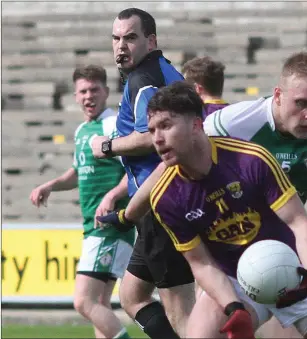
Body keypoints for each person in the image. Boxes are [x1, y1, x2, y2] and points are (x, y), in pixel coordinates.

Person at [111, 51, 307, 338]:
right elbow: (177, 161)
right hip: (231, 266)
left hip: (292, 256)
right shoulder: (232, 123)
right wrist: (128, 214)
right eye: (302, 104)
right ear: (278, 95)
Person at [90, 8, 195, 339]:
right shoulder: (162, 70)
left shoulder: (142, 80)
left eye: (131, 38)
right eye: (116, 38)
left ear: (151, 41)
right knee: (131, 295)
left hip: (160, 201)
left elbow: (153, 136)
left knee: (181, 310)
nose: (121, 46)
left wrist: (106, 147)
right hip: (161, 197)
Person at [29, 65, 135, 339]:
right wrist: (51, 185)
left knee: (83, 302)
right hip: (93, 224)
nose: (89, 96)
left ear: (106, 92)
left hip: (109, 225)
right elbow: (78, 172)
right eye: (83, 91)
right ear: (75, 96)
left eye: (94, 90)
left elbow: (134, 171)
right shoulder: (82, 131)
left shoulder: (112, 125)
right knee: (99, 306)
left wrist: (112, 196)